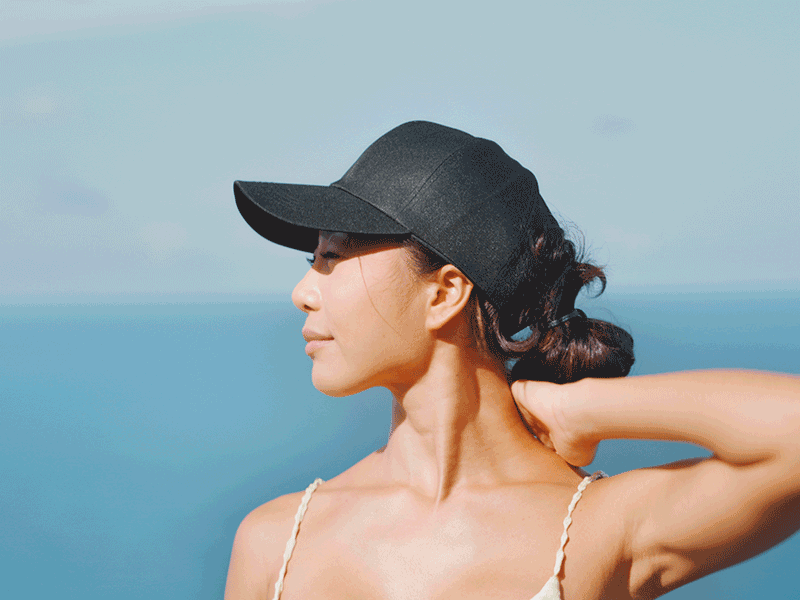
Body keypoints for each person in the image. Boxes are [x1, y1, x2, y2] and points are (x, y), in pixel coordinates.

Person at [225, 121, 800, 600]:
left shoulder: (594, 530)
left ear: (445, 292)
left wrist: (583, 408)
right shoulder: (275, 541)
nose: (303, 290)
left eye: (331, 256)